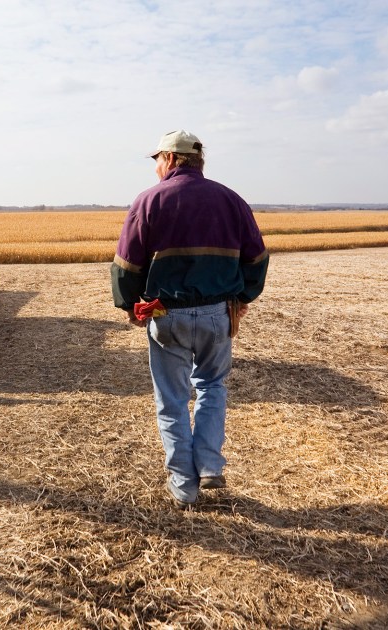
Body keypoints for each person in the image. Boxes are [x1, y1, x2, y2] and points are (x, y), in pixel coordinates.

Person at [111, 130, 269, 510]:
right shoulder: (231, 200)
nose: (156, 168)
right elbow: (257, 259)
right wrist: (243, 298)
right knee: (212, 386)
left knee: (172, 399)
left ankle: (184, 487)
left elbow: (126, 265)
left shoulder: (149, 200)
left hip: (166, 313)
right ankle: (210, 464)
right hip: (219, 314)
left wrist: (130, 305)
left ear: (169, 159)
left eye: (157, 161)